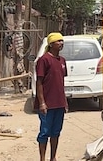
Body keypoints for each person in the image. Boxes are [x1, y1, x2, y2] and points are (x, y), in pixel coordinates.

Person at [35, 32, 67, 161]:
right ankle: (42, 158)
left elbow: (61, 82)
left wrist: (65, 102)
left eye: (62, 41)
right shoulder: (44, 60)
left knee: (56, 132)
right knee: (44, 132)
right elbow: (39, 82)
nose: (61, 43)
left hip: (59, 103)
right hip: (47, 104)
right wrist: (42, 102)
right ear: (51, 44)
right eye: (58, 41)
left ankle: (53, 157)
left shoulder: (62, 61)